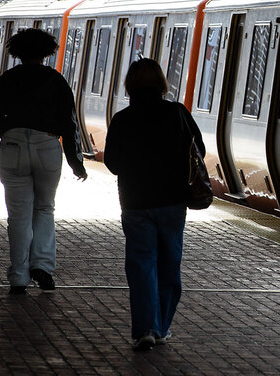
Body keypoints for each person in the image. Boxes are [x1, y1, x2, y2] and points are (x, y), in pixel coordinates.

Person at [0, 28, 88, 295]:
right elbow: (69, 124)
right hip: (47, 146)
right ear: (47, 53)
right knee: (45, 208)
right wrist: (76, 162)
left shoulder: (7, 80)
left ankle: (18, 276)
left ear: (17, 53)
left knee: (19, 215)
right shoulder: (56, 81)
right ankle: (43, 266)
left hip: (12, 146)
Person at [103, 58, 205, 351]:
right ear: (161, 83)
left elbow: (112, 163)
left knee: (141, 264)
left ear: (130, 85)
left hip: (135, 202)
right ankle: (161, 327)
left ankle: (146, 328)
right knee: (169, 264)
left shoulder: (123, 119)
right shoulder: (177, 113)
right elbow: (198, 150)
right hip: (172, 202)